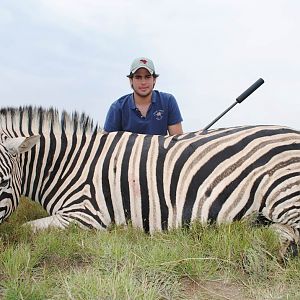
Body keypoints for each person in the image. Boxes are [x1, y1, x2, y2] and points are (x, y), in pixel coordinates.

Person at [103, 57, 183, 135]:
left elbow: (177, 142)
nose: (143, 82)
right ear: (131, 80)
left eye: (147, 77)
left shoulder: (168, 101)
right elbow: (107, 144)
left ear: (154, 80)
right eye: (138, 77)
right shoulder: (117, 107)